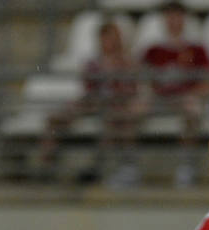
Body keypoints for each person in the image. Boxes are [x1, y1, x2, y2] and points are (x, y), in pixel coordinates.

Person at [40, 19, 144, 187]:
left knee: (114, 119)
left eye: (112, 37)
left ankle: (104, 169)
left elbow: (131, 90)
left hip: (116, 104)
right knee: (56, 119)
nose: (108, 42)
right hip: (93, 101)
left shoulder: (128, 62)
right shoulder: (93, 63)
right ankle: (47, 167)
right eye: (105, 38)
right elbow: (88, 86)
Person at [140, 1, 209, 187]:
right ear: (164, 20)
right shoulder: (154, 50)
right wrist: (147, 92)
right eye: (170, 17)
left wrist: (193, 93)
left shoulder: (197, 50)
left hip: (184, 97)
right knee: (132, 107)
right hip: (159, 98)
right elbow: (139, 76)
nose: (174, 21)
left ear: (184, 20)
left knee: (192, 108)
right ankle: (128, 164)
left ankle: (187, 166)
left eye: (178, 17)